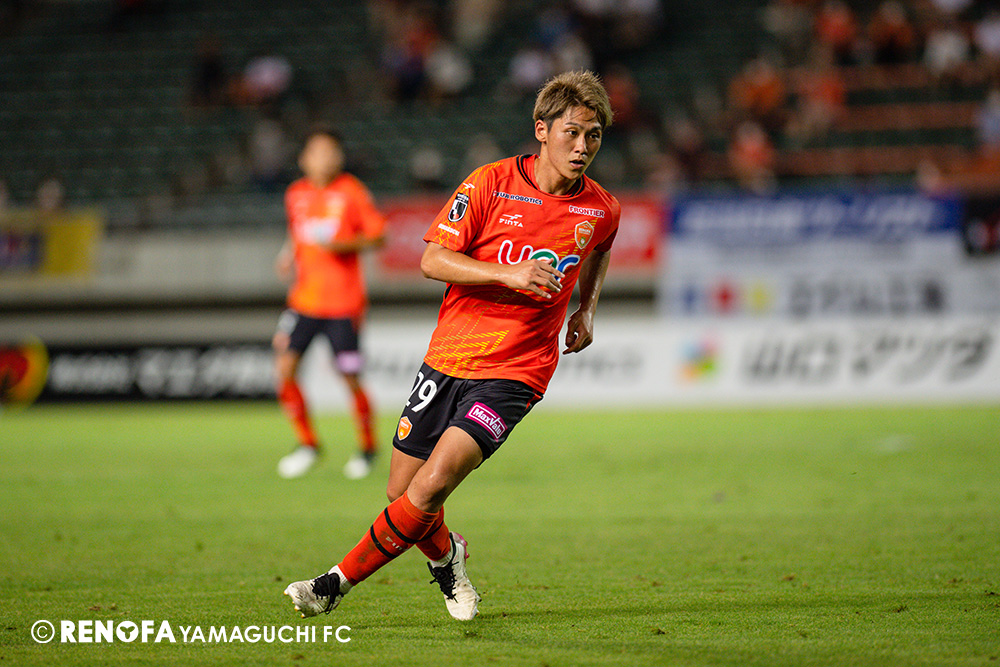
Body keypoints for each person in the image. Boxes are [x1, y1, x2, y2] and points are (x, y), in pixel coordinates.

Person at [283, 70, 620, 621]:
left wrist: (586, 308)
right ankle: (449, 560)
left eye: (594, 136)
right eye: (572, 132)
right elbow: (432, 260)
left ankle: (332, 584)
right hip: (449, 357)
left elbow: (601, 247)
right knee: (402, 494)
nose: (583, 147)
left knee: (434, 482)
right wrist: (508, 273)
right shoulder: (490, 183)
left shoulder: (601, 207)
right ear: (541, 130)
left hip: (517, 371)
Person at [273, 126, 386, 480]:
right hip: (303, 302)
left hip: (343, 305)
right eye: (318, 151)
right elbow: (297, 231)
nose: (325, 158)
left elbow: (379, 235)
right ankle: (308, 444)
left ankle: (368, 447)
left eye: (331, 151)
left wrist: (343, 245)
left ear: (339, 157)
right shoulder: (295, 193)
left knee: (349, 376)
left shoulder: (352, 191)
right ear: (304, 158)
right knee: (285, 368)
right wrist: (288, 253)